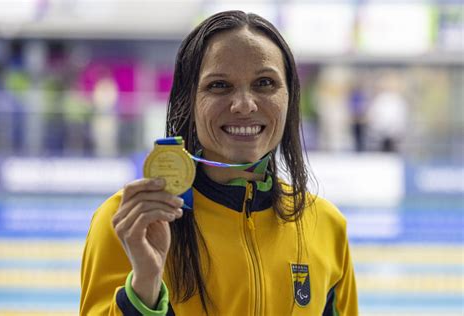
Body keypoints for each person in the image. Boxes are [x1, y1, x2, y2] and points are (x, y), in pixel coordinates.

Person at [80, 11, 358, 316]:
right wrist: (144, 287)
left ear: (290, 97)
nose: (244, 105)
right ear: (189, 100)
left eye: (265, 83)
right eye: (219, 86)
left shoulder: (327, 226)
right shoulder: (132, 223)